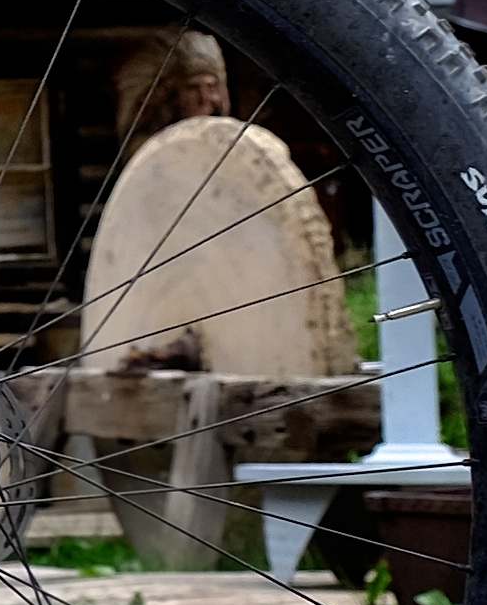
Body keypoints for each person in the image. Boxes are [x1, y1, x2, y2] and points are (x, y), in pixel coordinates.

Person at [78, 29, 355, 380]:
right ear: (169, 96)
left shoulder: (231, 164)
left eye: (213, 87)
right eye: (195, 89)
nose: (208, 99)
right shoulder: (153, 169)